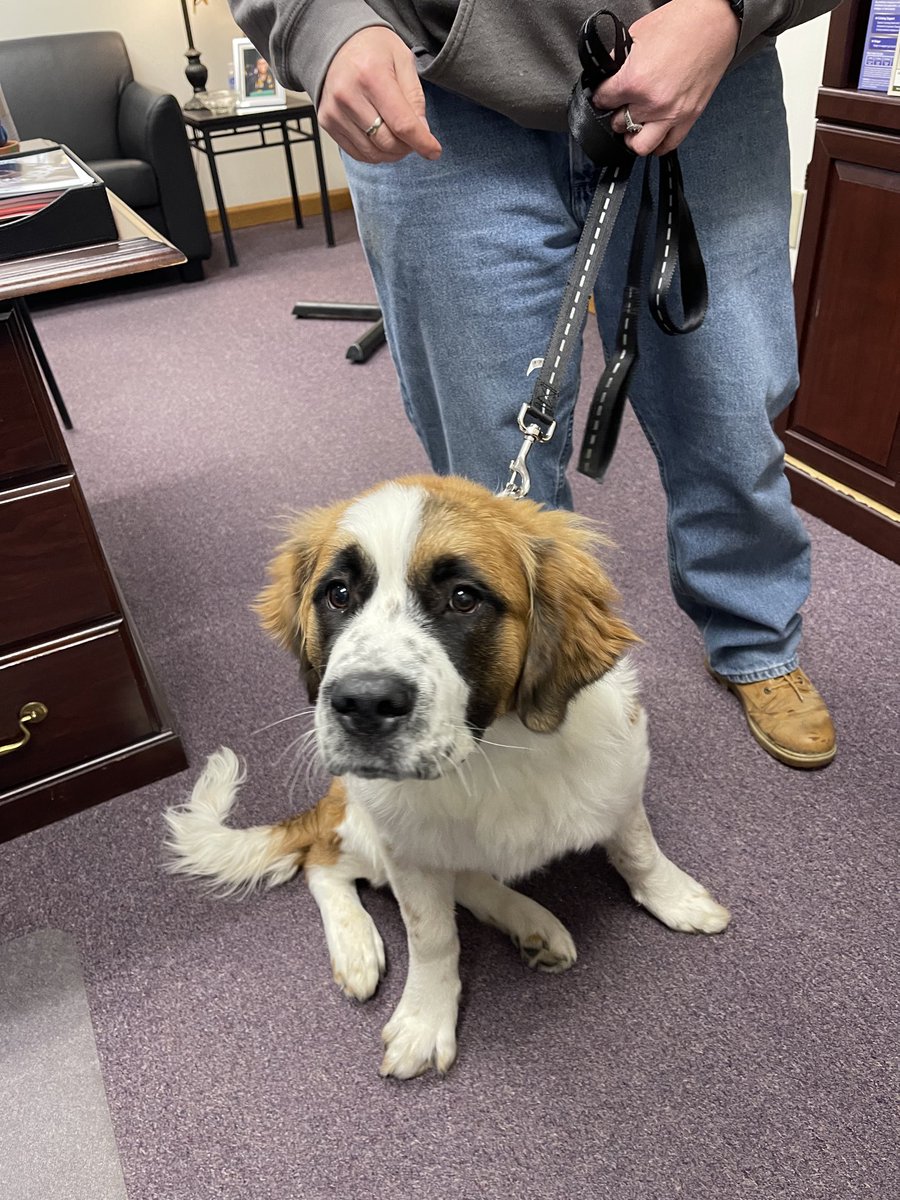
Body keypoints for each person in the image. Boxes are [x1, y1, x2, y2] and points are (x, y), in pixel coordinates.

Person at [229, 0, 840, 769]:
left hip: (704, 65)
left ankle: (757, 640)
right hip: (432, 86)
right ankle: (527, 698)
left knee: (730, 410)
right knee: (489, 464)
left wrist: (730, 10)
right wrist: (325, 22)